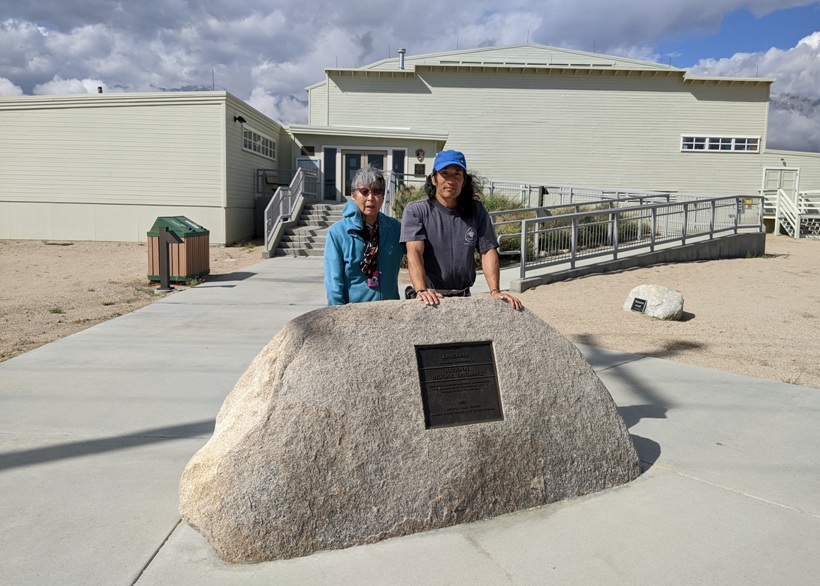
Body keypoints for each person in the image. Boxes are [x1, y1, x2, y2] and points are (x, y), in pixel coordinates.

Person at [400, 150, 522, 310]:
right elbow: (414, 252)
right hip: (430, 298)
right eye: (445, 173)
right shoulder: (417, 211)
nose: (451, 180)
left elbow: (487, 251)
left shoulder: (476, 210)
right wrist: (421, 290)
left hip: (464, 298)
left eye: (457, 174)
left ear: (464, 180)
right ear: (433, 179)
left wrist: (495, 291)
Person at [323, 165, 404, 305]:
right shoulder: (338, 233)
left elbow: (418, 256)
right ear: (353, 196)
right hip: (354, 315)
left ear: (383, 196)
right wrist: (337, 316)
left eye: (377, 191)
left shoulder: (395, 228)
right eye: (364, 192)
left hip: (390, 313)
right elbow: (333, 283)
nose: (370, 198)